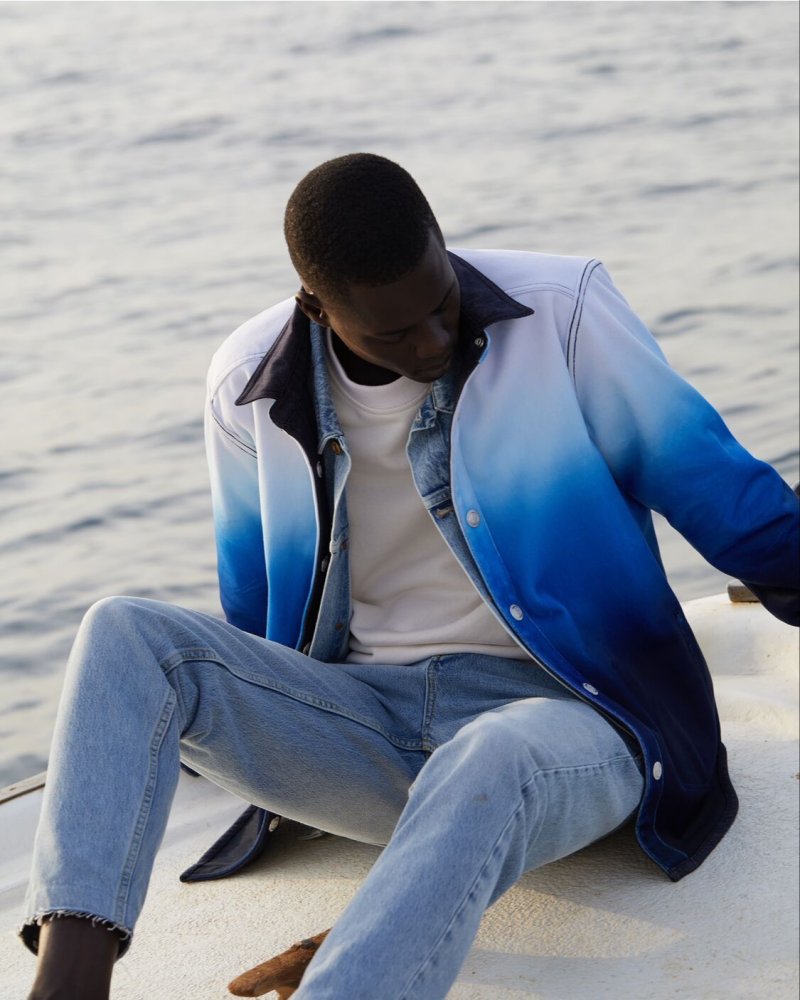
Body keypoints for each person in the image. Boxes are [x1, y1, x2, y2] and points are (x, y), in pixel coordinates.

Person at [21, 153, 799, 1000]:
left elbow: (722, 495)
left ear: (443, 245)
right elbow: (252, 615)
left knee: (491, 751)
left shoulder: (563, 313)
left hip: (572, 719)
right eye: (394, 333)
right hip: (367, 728)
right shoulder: (246, 386)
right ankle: (67, 986)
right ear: (316, 308)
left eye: (441, 306)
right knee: (124, 632)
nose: (431, 342)